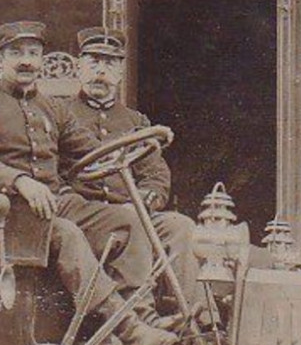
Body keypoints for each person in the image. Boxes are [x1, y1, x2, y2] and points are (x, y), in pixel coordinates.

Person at [0, 21, 178, 345]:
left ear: (42, 59)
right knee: (68, 235)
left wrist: (146, 140)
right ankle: (128, 330)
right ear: (1, 58)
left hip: (56, 203)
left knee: (127, 223)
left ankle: (144, 319)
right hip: (6, 211)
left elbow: (91, 148)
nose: (25, 61)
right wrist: (20, 181)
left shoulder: (51, 107)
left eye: (33, 53)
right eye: (16, 53)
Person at [59, 27, 201, 322]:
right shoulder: (61, 114)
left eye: (109, 63)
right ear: (79, 67)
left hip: (132, 211)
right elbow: (53, 174)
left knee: (180, 226)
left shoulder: (136, 122)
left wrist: (142, 203)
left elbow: (156, 178)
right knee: (132, 223)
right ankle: (139, 320)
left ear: (120, 72)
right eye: (93, 61)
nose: (101, 70)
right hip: (87, 219)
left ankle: (186, 322)